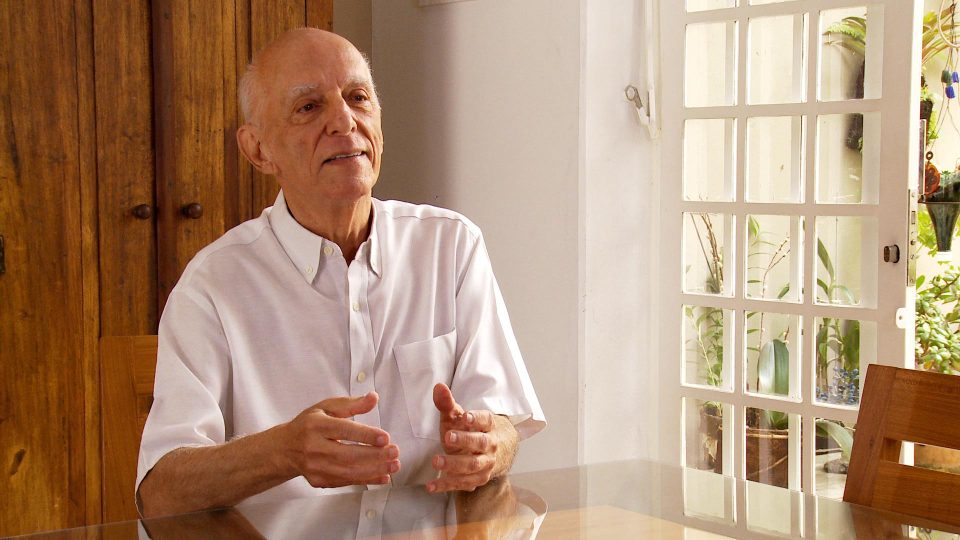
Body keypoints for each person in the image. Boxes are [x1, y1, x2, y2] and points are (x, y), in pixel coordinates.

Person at [136, 28, 545, 518]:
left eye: (358, 97)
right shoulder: (213, 285)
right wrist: (283, 451)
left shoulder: (451, 246)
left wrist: (491, 445)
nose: (344, 121)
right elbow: (160, 491)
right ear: (258, 150)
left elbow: (503, 425)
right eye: (309, 107)